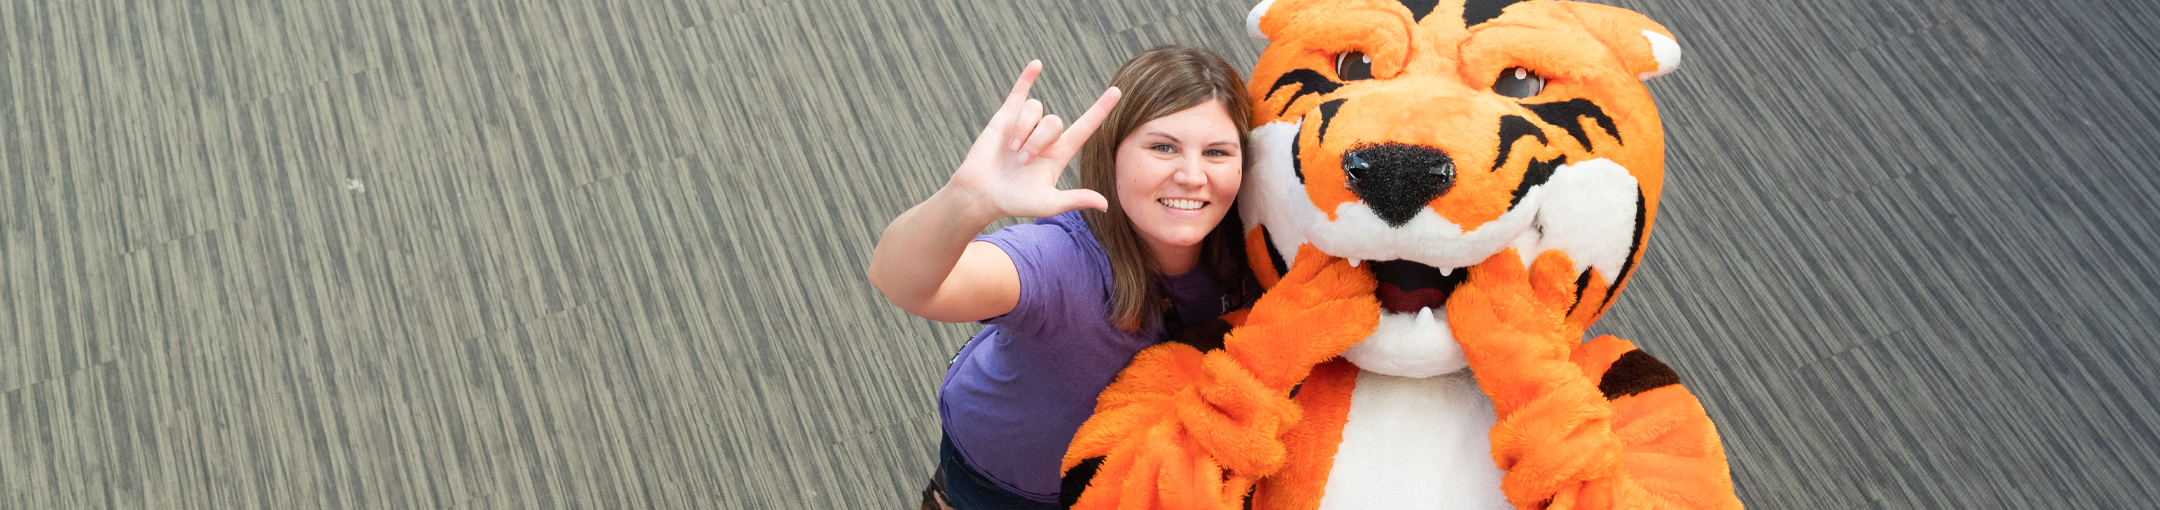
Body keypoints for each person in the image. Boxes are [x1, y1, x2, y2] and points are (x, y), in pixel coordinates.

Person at [867, 46, 1260, 509]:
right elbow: (898, 281)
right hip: (1004, 480)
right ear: (1112, 154)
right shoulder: (1059, 261)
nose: (1193, 176)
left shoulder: (1253, 244)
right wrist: (967, 201)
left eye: (1216, 152)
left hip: (1123, 478)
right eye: (1162, 147)